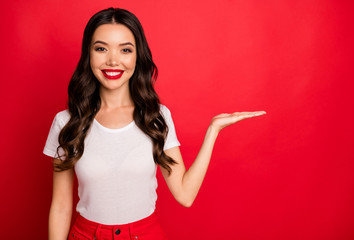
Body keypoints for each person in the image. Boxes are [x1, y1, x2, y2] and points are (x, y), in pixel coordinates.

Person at [43, 7, 266, 240]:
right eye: (101, 48)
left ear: (137, 56)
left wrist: (213, 130)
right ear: (88, 54)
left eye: (125, 50)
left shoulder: (157, 117)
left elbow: (185, 195)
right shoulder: (66, 122)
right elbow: (60, 206)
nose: (113, 60)